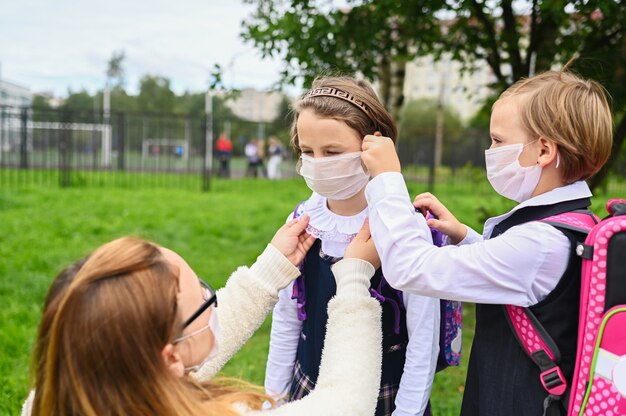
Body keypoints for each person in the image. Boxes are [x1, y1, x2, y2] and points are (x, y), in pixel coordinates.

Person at [357, 70, 613, 415]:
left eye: (498, 140)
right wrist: (464, 237)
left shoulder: (539, 243)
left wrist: (387, 179)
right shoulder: (573, 224)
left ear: (544, 150)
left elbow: (410, 268)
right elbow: (522, 282)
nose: (489, 150)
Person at [22, 216, 386, 416]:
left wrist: (269, 272)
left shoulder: (50, 399)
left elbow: (176, 349)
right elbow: (345, 403)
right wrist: (354, 280)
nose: (213, 303)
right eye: (204, 297)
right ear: (169, 359)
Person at [264, 77, 439, 416]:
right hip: (308, 391)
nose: (318, 162)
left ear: (372, 146)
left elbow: (423, 338)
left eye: (332, 152)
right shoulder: (303, 219)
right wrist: (272, 399)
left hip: (380, 398)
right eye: (307, 152)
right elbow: (287, 319)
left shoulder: (402, 225)